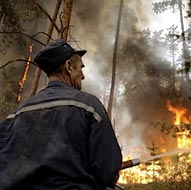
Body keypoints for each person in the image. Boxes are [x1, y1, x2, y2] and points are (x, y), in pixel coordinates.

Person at [0, 39, 122, 190]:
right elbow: (108, 167)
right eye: (81, 68)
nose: (83, 76)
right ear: (69, 66)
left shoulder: (16, 114)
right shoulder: (89, 106)